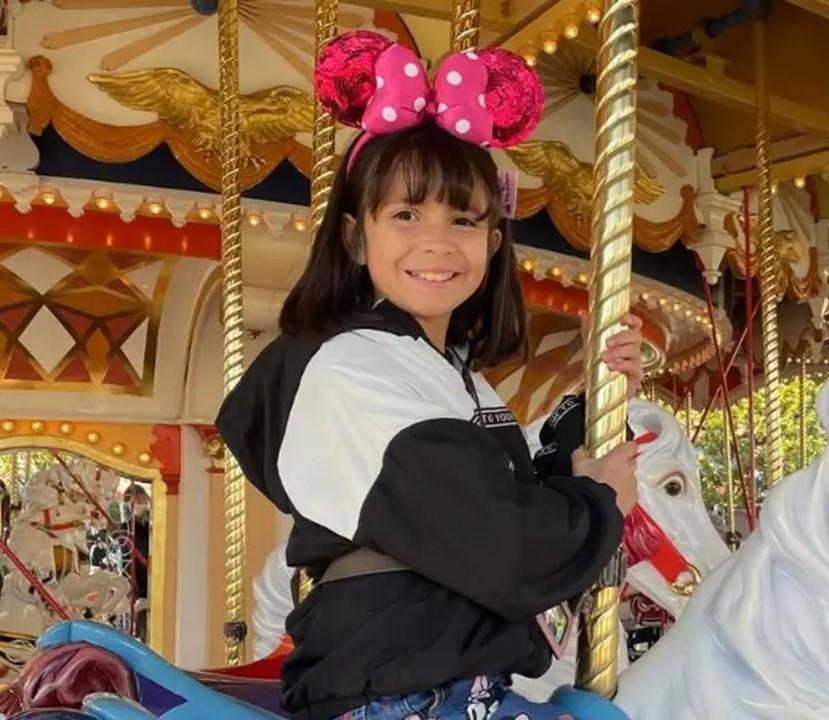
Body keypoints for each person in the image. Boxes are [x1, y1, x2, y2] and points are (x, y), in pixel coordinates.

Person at [216, 31, 642, 720]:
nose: (437, 242)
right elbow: (503, 549)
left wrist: (597, 401)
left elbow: (514, 495)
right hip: (406, 695)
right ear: (356, 237)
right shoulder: (353, 369)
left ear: (493, 242)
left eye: (464, 219)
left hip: (454, 685)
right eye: (406, 214)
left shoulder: (450, 374)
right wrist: (598, 504)